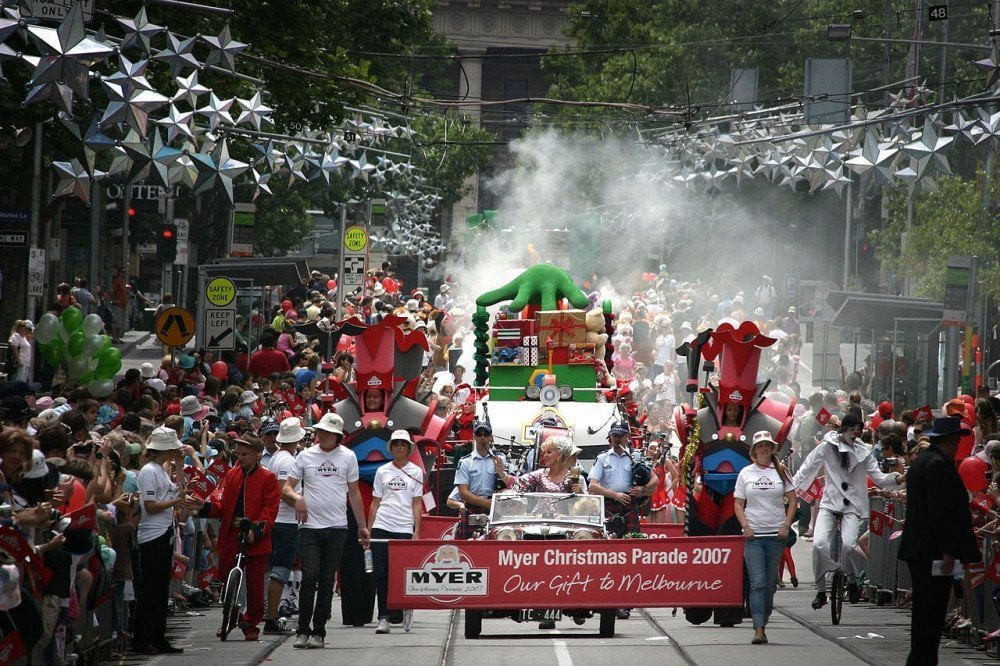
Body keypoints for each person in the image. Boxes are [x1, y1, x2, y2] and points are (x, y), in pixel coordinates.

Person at [792, 413, 905, 610]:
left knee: (849, 546)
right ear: (843, 429)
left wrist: (897, 479)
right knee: (819, 545)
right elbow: (807, 468)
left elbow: (878, 478)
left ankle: (852, 581)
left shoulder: (863, 452)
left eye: (858, 430)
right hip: (830, 504)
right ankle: (821, 591)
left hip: (852, 507)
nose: (856, 433)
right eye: (852, 429)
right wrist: (789, 490)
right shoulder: (827, 447)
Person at [282, 413, 371, 650]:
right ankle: (302, 629)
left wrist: (362, 525)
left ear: (337, 436)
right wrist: (298, 498)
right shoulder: (305, 456)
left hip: (337, 527)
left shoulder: (348, 457)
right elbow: (286, 488)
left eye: (326, 432)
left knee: (326, 578)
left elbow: (353, 492)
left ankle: (319, 631)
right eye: (319, 431)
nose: (320, 435)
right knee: (310, 576)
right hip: (310, 527)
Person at [899, 416, 981, 666]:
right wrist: (947, 551)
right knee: (931, 612)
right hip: (932, 552)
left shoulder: (922, 462)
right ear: (950, 441)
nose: (958, 445)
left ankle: (919, 660)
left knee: (924, 612)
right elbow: (940, 513)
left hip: (920, 550)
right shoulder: (937, 466)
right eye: (956, 440)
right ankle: (923, 661)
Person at [190, 437, 280, 641]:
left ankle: (250, 622)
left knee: (256, 587)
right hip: (232, 533)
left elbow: (270, 509)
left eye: (244, 455)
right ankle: (232, 618)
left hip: (255, 534)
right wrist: (202, 507)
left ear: (258, 455)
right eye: (238, 454)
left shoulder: (268, 477)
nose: (240, 458)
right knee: (223, 579)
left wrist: (255, 531)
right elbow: (222, 506)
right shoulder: (231, 475)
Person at [733, 431, 797, 646]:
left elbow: (793, 500)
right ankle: (759, 628)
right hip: (754, 536)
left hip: (775, 535)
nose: (764, 449)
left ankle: (764, 617)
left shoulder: (781, 471)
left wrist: (786, 525)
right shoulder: (745, 473)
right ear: (754, 449)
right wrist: (745, 526)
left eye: (767, 445)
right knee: (758, 582)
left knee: (770, 584)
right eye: (760, 445)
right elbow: (738, 504)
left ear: (772, 448)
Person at [132, 427, 190, 655]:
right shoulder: (149, 471)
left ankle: (158, 637)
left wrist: (179, 466)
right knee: (151, 591)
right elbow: (150, 506)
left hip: (164, 531)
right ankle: (144, 639)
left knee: (160, 590)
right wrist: (176, 501)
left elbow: (179, 487)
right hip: (152, 534)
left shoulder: (161, 470)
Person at [369, 430, 423, 635]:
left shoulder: (416, 471)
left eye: (403, 444)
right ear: (391, 448)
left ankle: (405, 607)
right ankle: (383, 617)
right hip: (382, 524)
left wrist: (416, 531)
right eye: (396, 444)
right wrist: (369, 529)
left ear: (409, 448)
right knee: (381, 573)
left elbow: (417, 503)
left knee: (401, 573)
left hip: (403, 527)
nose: (399, 447)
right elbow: (375, 502)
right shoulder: (382, 471)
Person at [263, 417, 303, 634]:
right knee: (280, 571)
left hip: (278, 519)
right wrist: (301, 503)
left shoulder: (277, 457)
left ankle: (271, 613)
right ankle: (271, 618)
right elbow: (282, 491)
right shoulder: (287, 461)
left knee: (276, 570)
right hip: (286, 521)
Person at [589, 421, 658, 538]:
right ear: (610, 437)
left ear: (627, 437)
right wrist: (615, 495)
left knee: (632, 541)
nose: (616, 439)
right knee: (609, 540)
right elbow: (593, 486)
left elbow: (655, 480)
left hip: (629, 504)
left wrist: (643, 489)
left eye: (620, 436)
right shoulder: (602, 458)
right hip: (608, 504)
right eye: (614, 436)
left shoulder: (637, 456)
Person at [454, 420, 511, 537]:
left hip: (497, 508)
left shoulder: (501, 460)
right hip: (472, 507)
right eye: (479, 433)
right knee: (469, 546)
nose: (482, 437)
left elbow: (511, 485)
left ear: (491, 437)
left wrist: (501, 472)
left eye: (486, 434)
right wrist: (485, 503)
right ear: (474, 436)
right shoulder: (465, 462)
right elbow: (463, 493)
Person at [515, 437, 585, 494]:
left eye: (549, 452)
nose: (545, 456)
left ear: (560, 455)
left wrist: (580, 493)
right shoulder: (539, 475)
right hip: (539, 512)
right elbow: (518, 484)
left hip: (562, 512)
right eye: (544, 452)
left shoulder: (573, 478)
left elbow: (586, 505)